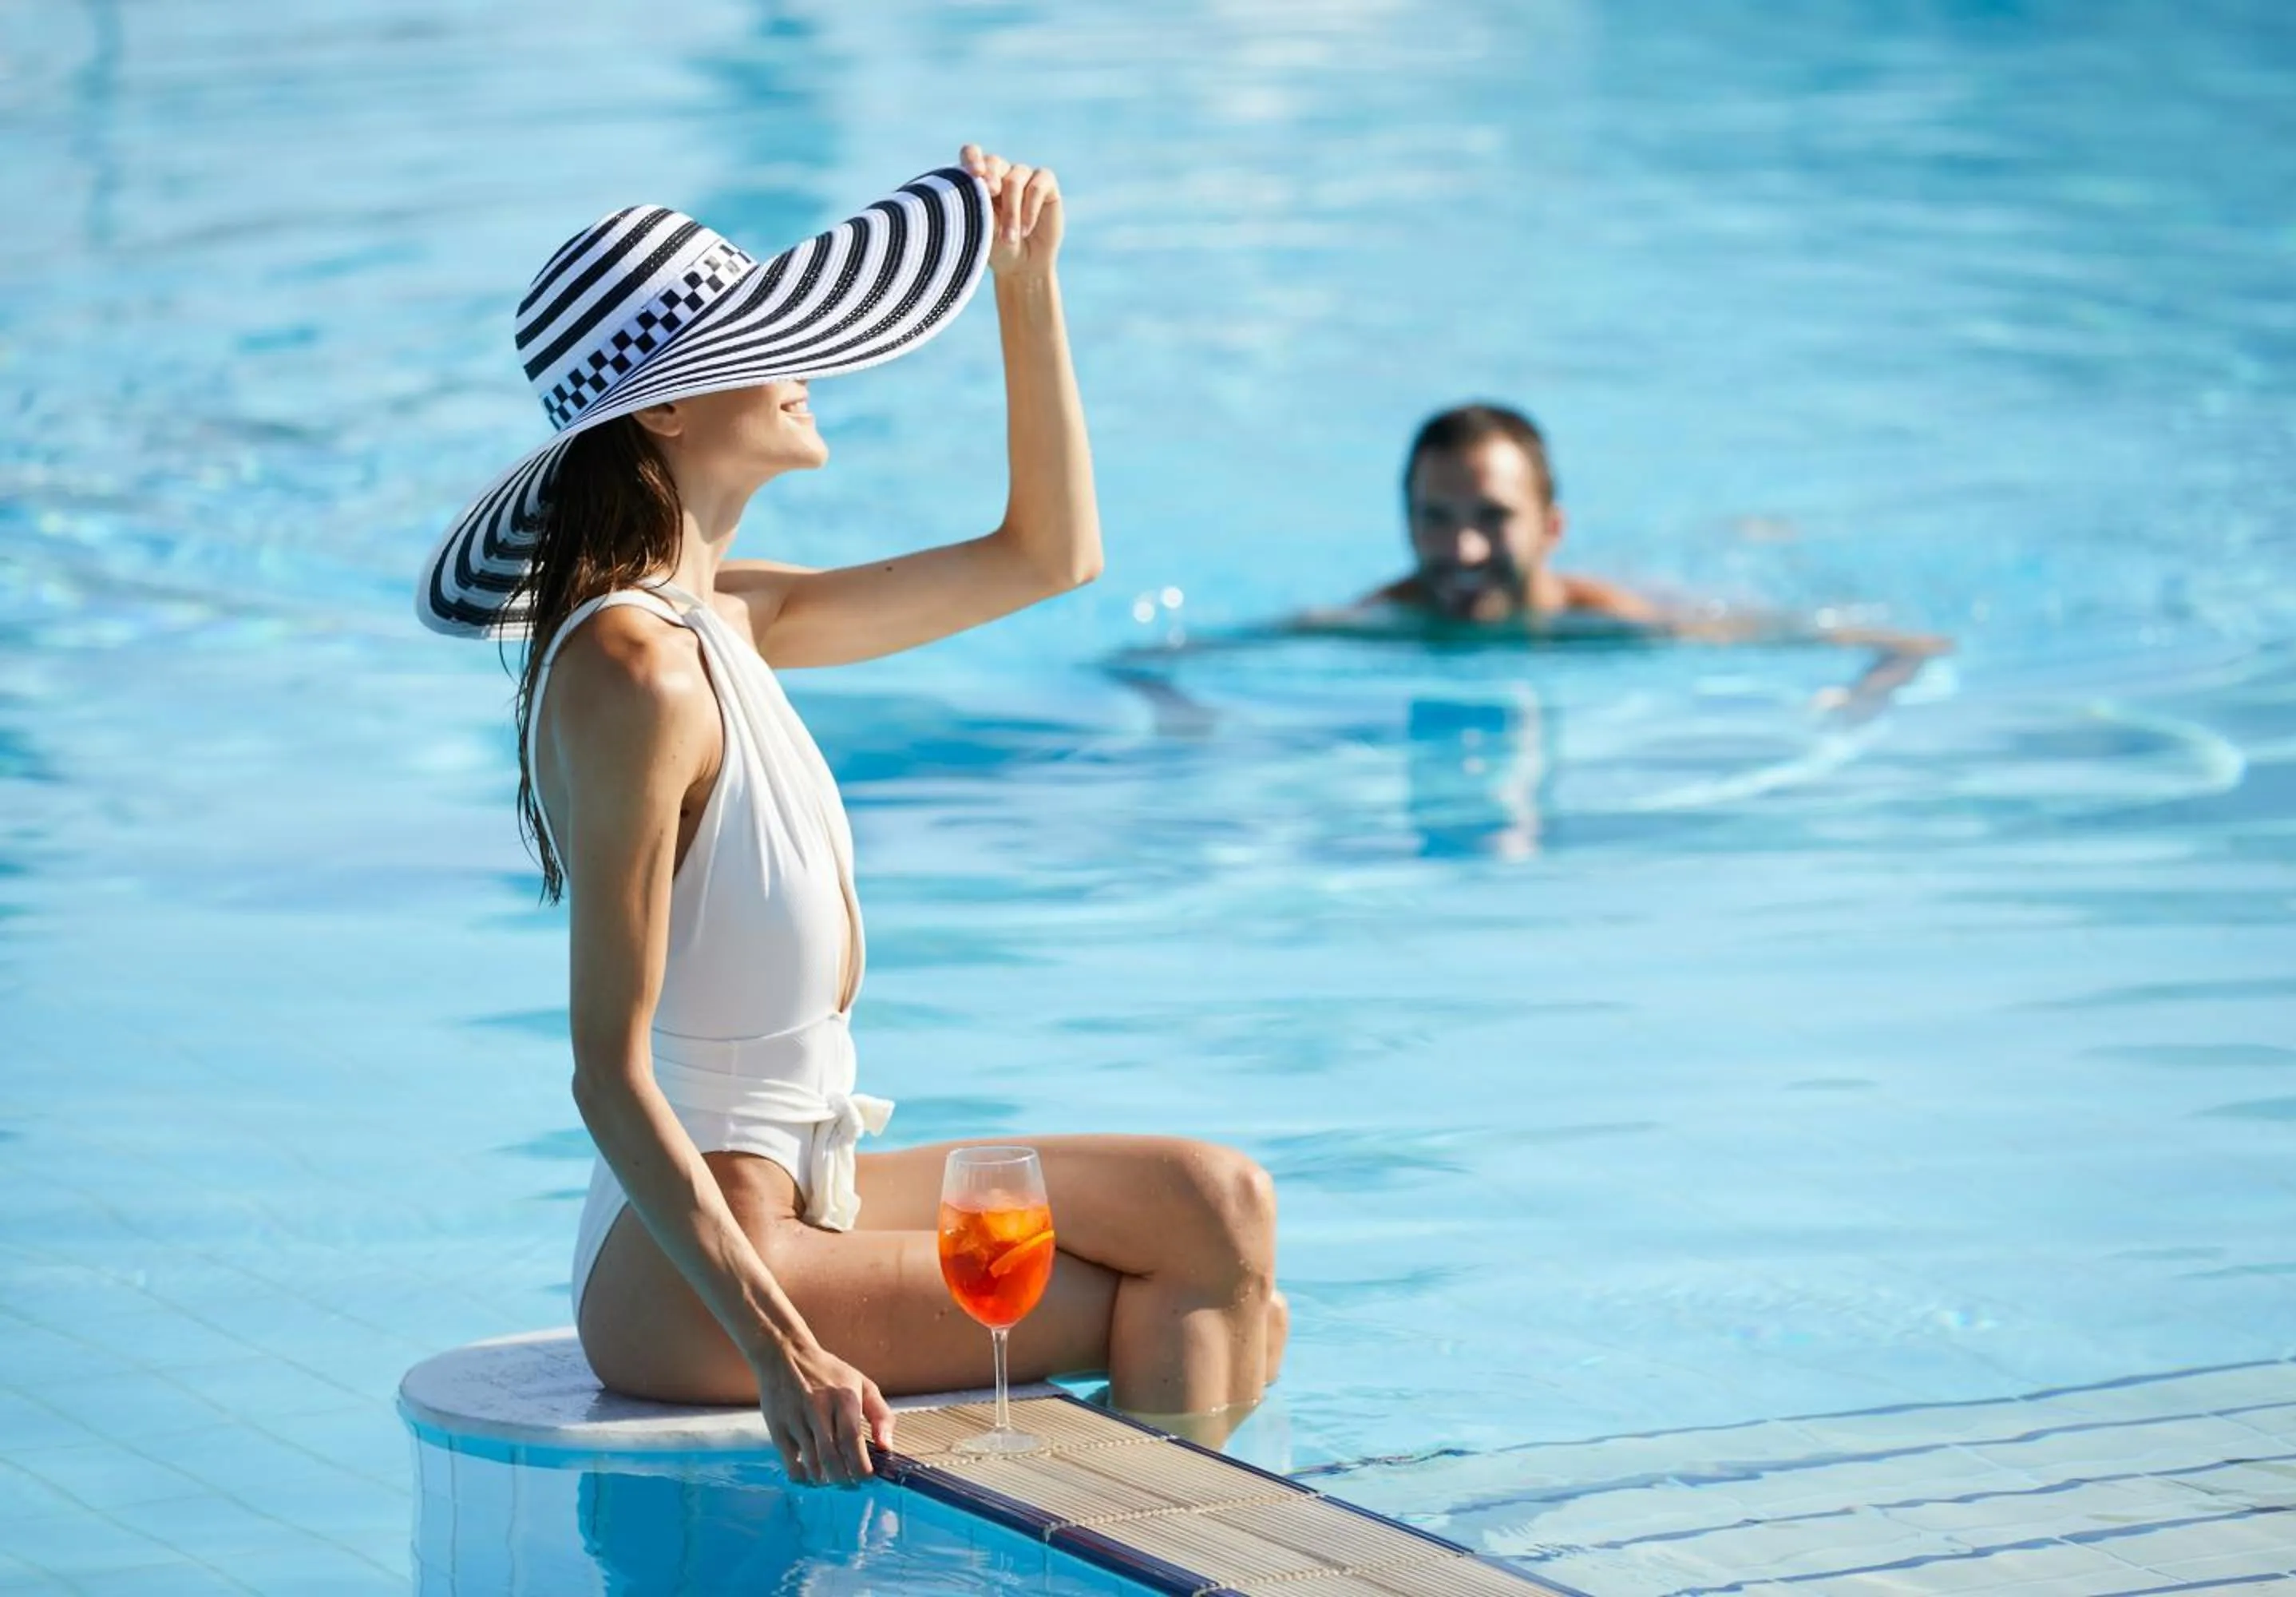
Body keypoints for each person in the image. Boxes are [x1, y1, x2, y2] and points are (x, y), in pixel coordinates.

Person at [417, 147, 1285, 1490]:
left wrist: (1025, 289)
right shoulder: (630, 672)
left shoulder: (734, 621)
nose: (800, 362)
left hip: (811, 1180)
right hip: (700, 1269)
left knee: (1215, 1208)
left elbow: (1051, 557)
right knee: (1183, 1299)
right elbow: (605, 1068)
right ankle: (1183, 1553)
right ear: (663, 414)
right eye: (759, 341)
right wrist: (783, 1351)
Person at [1313, 403, 1951, 721]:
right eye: (1436, 519)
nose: (1464, 550)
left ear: (1552, 527)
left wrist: (1861, 699)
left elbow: (1911, 643)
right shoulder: (1376, 617)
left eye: (1494, 517)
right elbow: (1213, 655)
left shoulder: (1627, 623)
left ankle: (1748, 532)